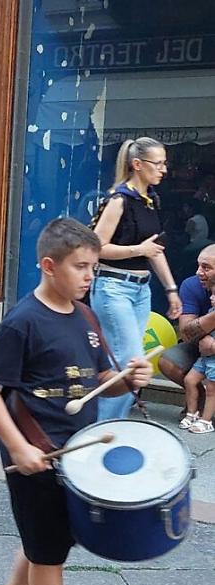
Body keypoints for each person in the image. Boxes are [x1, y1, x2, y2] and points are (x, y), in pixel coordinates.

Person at [0, 218, 152, 585]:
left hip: (74, 454)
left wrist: (126, 379)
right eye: (81, 267)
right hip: (33, 453)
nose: (90, 276)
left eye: (93, 267)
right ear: (49, 266)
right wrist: (18, 445)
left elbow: (88, 380)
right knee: (49, 553)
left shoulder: (87, 317)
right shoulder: (22, 322)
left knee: (46, 542)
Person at [91, 137, 181, 420]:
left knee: (122, 359)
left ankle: (103, 425)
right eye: (158, 163)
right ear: (137, 164)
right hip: (113, 287)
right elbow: (97, 246)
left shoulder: (150, 200)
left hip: (140, 291)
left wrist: (171, 289)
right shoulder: (119, 200)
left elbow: (155, 250)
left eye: (165, 163)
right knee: (129, 363)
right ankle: (104, 428)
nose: (164, 169)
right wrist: (137, 249)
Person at [159, 245, 215, 413]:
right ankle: (201, 400)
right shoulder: (192, 285)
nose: (199, 272)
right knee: (168, 361)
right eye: (198, 265)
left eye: (206, 268)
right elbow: (186, 332)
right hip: (202, 347)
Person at [180, 283, 215, 434]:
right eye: (212, 294)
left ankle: (207, 421)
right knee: (190, 380)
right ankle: (192, 413)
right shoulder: (211, 312)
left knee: (212, 389)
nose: (212, 298)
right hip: (205, 357)